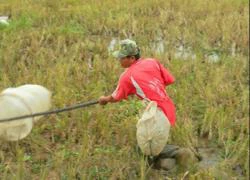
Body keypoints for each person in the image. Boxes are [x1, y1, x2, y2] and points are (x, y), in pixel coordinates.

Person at [99, 39, 176, 127]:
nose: (119, 60)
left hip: (154, 114)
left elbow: (115, 98)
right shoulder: (152, 62)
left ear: (132, 58)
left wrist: (104, 99)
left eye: (122, 58)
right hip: (169, 109)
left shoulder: (127, 76)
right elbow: (169, 80)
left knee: (148, 140)